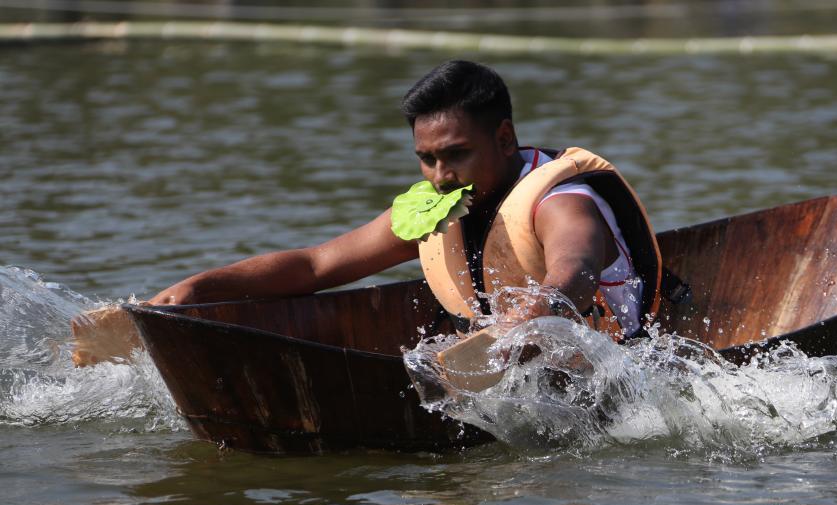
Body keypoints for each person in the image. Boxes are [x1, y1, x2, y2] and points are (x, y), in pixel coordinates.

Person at [151, 60, 661, 339]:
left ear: (504, 139)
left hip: (614, 371)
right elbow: (315, 266)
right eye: (427, 158)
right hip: (500, 366)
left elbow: (572, 272)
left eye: (456, 154)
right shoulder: (438, 206)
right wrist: (195, 291)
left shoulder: (561, 200)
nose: (441, 176)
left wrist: (516, 329)